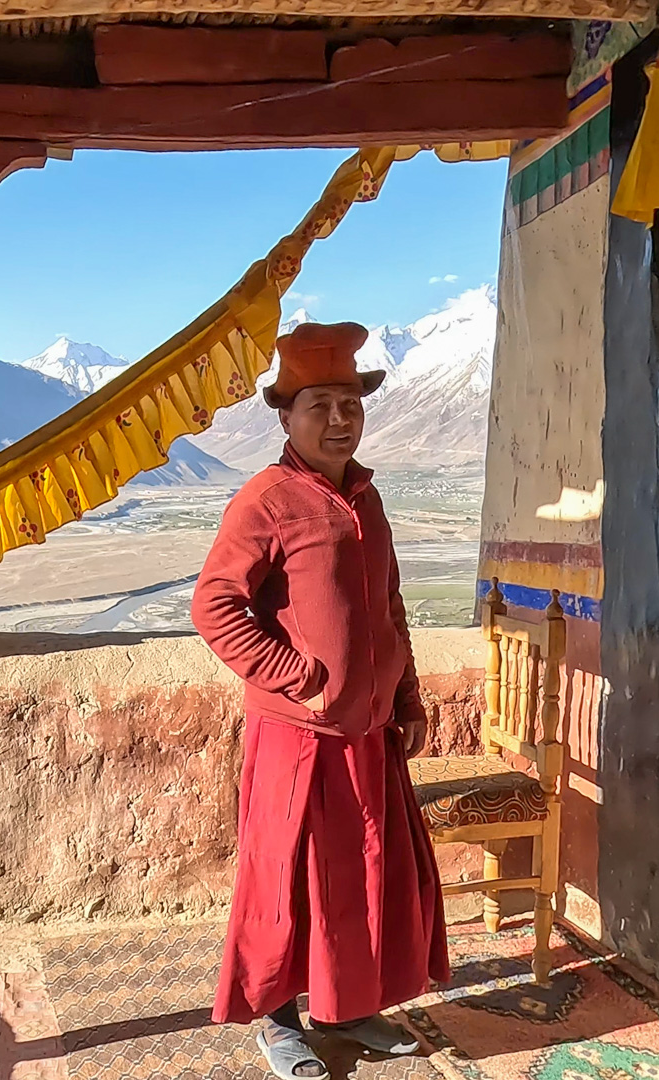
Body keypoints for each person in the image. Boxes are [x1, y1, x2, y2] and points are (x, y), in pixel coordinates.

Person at [191, 321, 449, 1079]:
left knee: (364, 875)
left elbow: (389, 604)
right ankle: (278, 1022)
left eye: (350, 405)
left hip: (367, 733)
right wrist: (293, 674)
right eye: (321, 407)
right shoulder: (267, 500)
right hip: (298, 736)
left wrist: (406, 697)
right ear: (287, 416)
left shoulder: (366, 500)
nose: (340, 421)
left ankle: (352, 1007)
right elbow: (214, 606)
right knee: (289, 882)